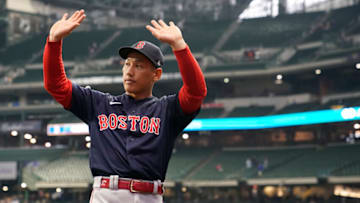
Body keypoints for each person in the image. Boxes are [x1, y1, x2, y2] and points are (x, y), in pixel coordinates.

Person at [43, 9, 207, 203]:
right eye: (127, 64)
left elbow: (196, 92)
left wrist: (180, 47)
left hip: (150, 196)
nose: (129, 71)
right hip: (107, 194)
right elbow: (56, 85)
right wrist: (53, 42)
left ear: (157, 74)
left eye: (138, 66)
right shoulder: (98, 103)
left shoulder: (167, 109)